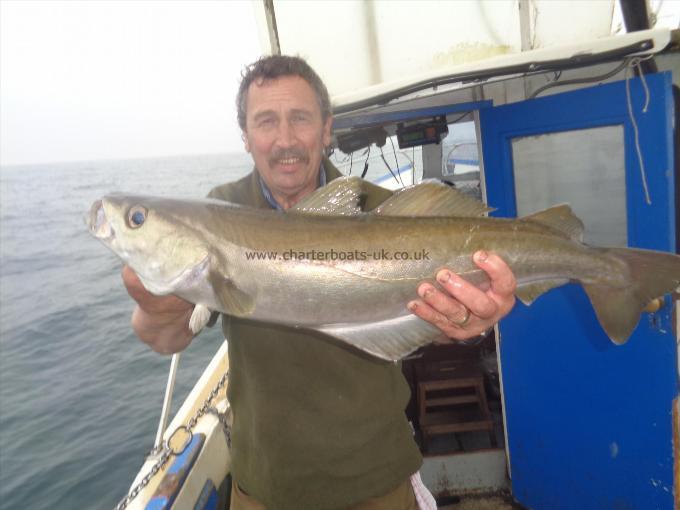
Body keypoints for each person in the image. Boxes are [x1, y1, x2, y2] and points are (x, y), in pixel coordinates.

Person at [122, 55, 516, 510]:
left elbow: (439, 321)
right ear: (246, 137)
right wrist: (157, 307)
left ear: (327, 129)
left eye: (301, 119)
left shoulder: (385, 212)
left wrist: (474, 321)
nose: (285, 140)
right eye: (266, 121)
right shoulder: (219, 213)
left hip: (376, 477)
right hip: (266, 487)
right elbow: (165, 336)